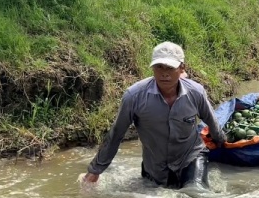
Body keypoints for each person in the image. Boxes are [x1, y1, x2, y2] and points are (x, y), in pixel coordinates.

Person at [82, 41, 226, 189]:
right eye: (159, 67)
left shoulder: (196, 93)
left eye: (170, 68)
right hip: (155, 167)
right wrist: (95, 170)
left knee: (197, 192)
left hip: (190, 157)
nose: (164, 73)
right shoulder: (134, 96)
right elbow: (116, 133)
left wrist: (221, 141)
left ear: (182, 68)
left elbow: (211, 120)